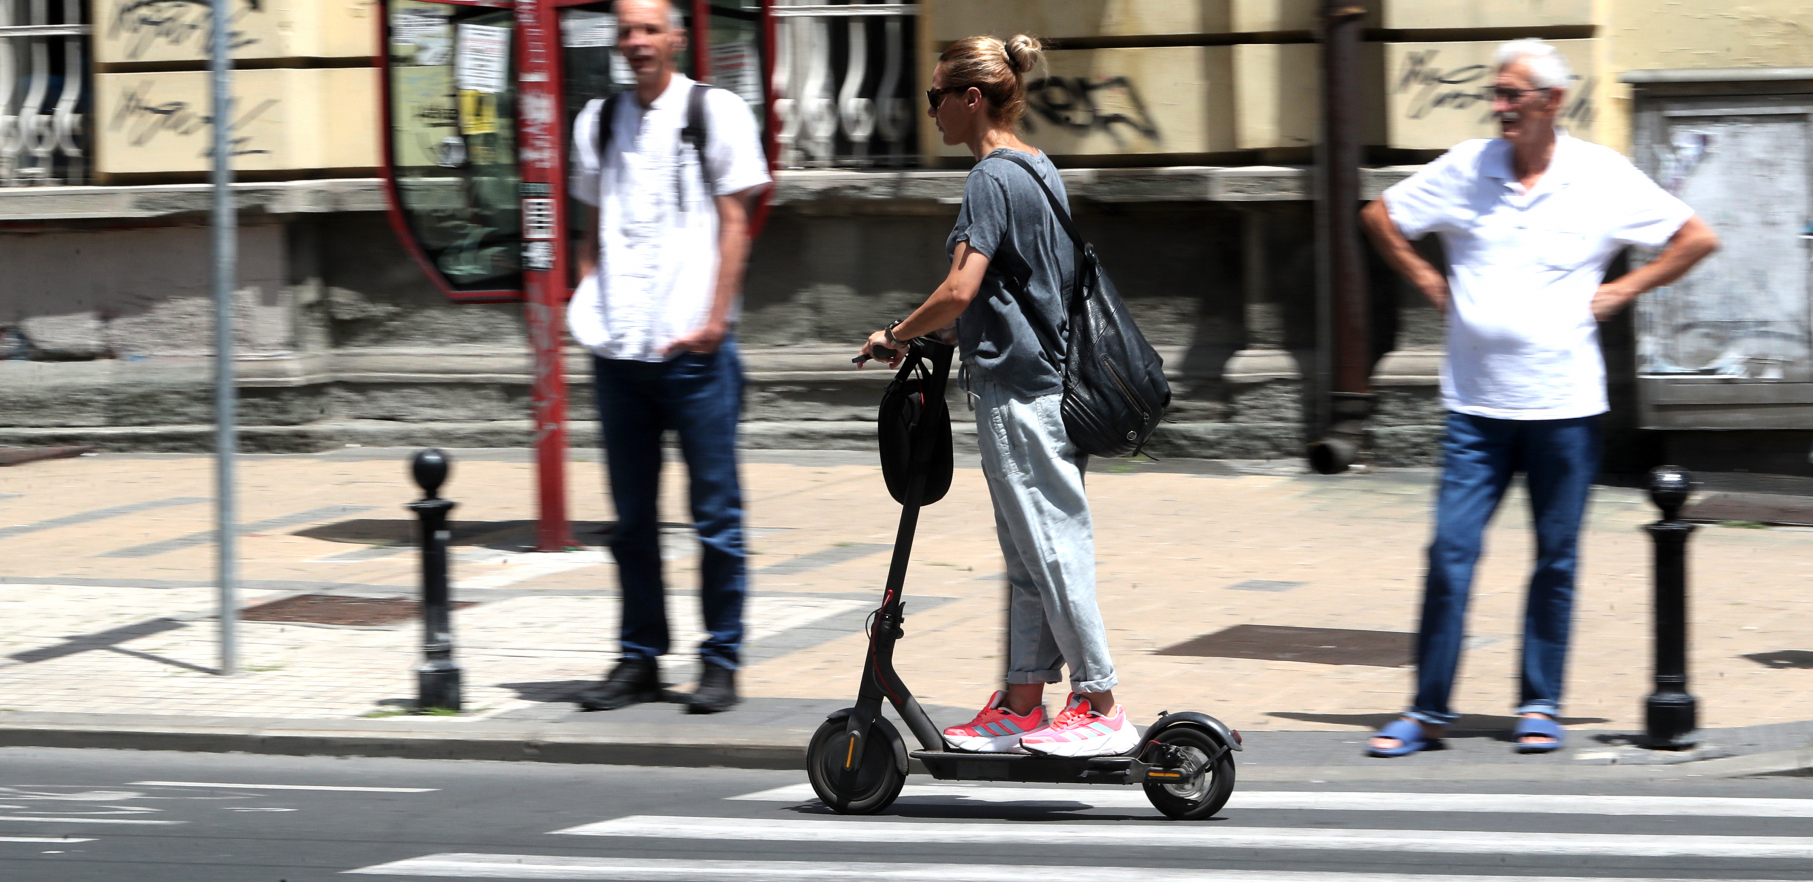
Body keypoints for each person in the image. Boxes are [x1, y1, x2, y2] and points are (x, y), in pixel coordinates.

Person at [1359, 39, 1719, 756]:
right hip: (1475, 409)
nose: (1498, 107)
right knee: (1449, 553)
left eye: (1511, 95)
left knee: (1554, 557)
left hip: (1564, 407)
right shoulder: (1467, 167)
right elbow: (1379, 216)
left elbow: (1694, 237)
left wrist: (1623, 287)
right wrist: (1424, 279)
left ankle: (1539, 703)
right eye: (1494, 94)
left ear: (1551, 102)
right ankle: (1429, 710)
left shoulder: (1599, 176)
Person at [857, 34, 1138, 758]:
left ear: (970, 98)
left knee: (1050, 548)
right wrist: (941, 335)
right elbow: (1013, 292)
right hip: (1049, 387)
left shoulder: (989, 178)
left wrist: (894, 334)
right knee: (1029, 554)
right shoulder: (1039, 170)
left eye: (936, 97)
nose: (932, 112)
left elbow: (959, 290)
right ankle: (1021, 703)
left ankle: (1099, 702)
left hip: (1021, 394)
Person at [567, 0, 771, 714]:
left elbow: (736, 222)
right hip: (620, 355)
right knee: (631, 521)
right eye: (626, 30)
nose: (636, 42)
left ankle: (720, 659)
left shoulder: (714, 111)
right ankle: (639, 657)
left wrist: (715, 322)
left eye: (650, 28)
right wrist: (590, 298)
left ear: (677, 37)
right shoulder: (596, 120)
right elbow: (591, 224)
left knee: (716, 517)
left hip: (694, 353)